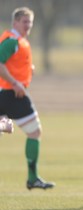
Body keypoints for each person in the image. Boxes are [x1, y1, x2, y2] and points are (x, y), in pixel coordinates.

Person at [0, 7, 55, 190]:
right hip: (11, 93)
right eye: (24, 21)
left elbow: (12, 63)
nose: (28, 25)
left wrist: (27, 71)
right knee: (35, 132)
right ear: (15, 22)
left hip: (10, 92)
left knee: (16, 129)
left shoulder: (20, 41)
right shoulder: (12, 41)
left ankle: (33, 178)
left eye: (30, 22)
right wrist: (15, 83)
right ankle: (32, 178)